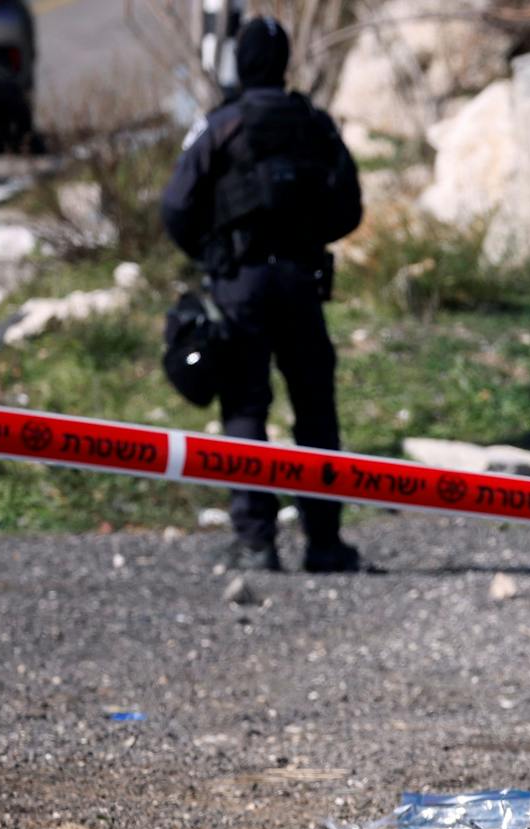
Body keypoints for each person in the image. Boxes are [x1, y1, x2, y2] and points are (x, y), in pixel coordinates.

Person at [160, 17, 365, 573]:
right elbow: (349, 206)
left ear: (239, 62)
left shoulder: (220, 126)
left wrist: (214, 251)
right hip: (300, 282)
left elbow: (176, 206)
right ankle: (324, 543)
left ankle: (256, 542)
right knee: (315, 411)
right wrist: (304, 235)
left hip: (241, 283)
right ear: (285, 62)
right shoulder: (314, 125)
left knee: (246, 407)